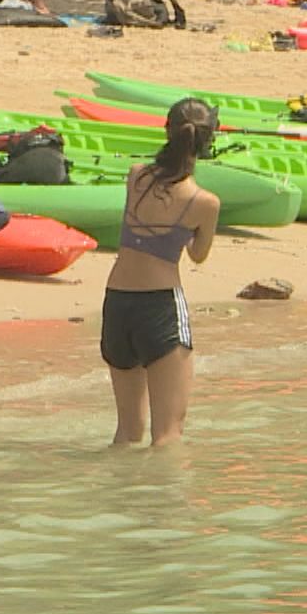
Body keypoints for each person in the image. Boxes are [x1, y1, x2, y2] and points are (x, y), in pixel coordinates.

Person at [103, 97, 220, 447]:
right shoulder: (205, 202)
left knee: (127, 433)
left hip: (117, 303)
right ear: (206, 143)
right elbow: (198, 255)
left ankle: (120, 497)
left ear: (167, 130)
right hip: (160, 307)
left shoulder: (136, 176)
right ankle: (163, 502)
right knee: (168, 435)